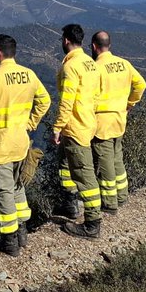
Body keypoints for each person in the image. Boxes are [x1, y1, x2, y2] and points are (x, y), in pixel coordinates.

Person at [0, 34, 52, 256]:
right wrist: (31, 123)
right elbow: (45, 100)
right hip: (21, 143)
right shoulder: (28, 74)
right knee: (17, 187)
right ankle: (22, 233)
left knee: (3, 191)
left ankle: (10, 241)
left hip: (0, 145)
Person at [54, 24, 104, 239]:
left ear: (66, 40)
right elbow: (98, 93)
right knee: (65, 165)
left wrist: (57, 127)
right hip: (86, 123)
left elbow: (66, 101)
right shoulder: (90, 64)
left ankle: (92, 224)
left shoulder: (71, 67)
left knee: (84, 175)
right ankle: (70, 205)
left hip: (75, 127)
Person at [90, 31, 146, 213]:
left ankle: (110, 202)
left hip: (102, 121)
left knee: (105, 160)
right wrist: (129, 103)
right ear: (109, 45)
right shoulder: (124, 64)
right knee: (117, 158)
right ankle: (122, 196)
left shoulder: (95, 68)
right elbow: (141, 84)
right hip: (119, 119)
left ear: (93, 46)